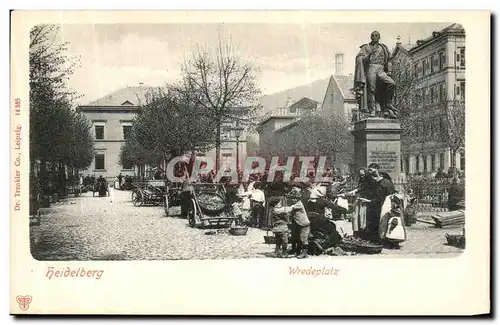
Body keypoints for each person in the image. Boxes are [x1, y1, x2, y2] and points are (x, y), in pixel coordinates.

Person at [354, 31, 397, 118]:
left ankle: (388, 103)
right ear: (371, 37)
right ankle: (372, 110)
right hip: (371, 68)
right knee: (371, 89)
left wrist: (389, 71)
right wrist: (369, 55)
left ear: (379, 37)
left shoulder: (383, 47)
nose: (374, 37)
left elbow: (389, 60)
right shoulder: (366, 47)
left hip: (381, 69)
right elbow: (360, 59)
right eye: (373, 36)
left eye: (376, 36)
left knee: (392, 83)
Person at [276, 187, 311, 259]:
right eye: (292, 198)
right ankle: (295, 250)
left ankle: (304, 253)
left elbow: (289, 209)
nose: (293, 199)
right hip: (298, 223)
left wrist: (278, 210)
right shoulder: (295, 203)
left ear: (298, 199)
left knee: (303, 239)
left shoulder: (299, 204)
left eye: (295, 198)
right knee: (295, 237)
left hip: (304, 224)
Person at [365, 164, 395, 243]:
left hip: (381, 205)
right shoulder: (376, 181)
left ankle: (379, 239)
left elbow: (382, 196)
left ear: (376, 170)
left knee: (380, 222)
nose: (369, 172)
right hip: (379, 205)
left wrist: (369, 201)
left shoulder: (384, 183)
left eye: (371, 170)